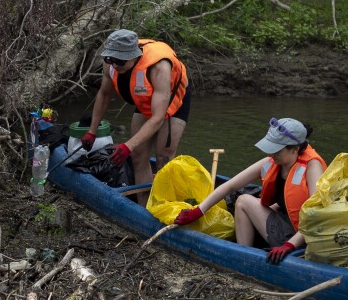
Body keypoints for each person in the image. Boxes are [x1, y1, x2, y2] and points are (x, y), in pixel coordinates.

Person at [173, 118, 326, 265]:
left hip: (303, 240)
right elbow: (230, 186)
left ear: (295, 149)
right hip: (288, 227)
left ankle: (244, 258)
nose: (270, 154)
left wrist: (289, 245)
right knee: (243, 199)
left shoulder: (312, 167)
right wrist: (198, 211)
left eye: (276, 150)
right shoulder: (273, 162)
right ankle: (244, 253)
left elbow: (316, 218)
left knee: (245, 200)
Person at [81, 29, 190, 195]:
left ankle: (165, 207)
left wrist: (127, 145)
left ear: (133, 55)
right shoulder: (111, 64)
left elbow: (157, 118)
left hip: (172, 101)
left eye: (120, 60)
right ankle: (143, 208)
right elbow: (104, 94)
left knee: (163, 159)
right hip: (144, 97)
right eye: (110, 59)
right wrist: (92, 131)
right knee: (138, 155)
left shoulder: (159, 67)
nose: (115, 65)